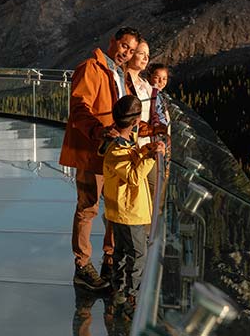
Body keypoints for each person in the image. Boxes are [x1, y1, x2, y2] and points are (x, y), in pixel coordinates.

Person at [60, 27, 140, 291]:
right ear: (112, 42)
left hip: (115, 153)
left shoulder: (123, 75)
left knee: (114, 210)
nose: (126, 53)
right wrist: (98, 130)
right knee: (88, 208)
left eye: (130, 50)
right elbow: (79, 107)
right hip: (92, 151)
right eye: (124, 46)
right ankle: (82, 266)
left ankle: (109, 258)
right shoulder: (90, 68)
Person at [101, 95, 165, 314]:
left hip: (120, 211)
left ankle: (118, 289)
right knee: (138, 253)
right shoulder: (116, 149)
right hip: (129, 212)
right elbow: (134, 177)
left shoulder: (121, 142)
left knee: (120, 250)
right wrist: (152, 157)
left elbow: (131, 156)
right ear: (137, 120)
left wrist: (145, 150)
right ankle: (132, 294)